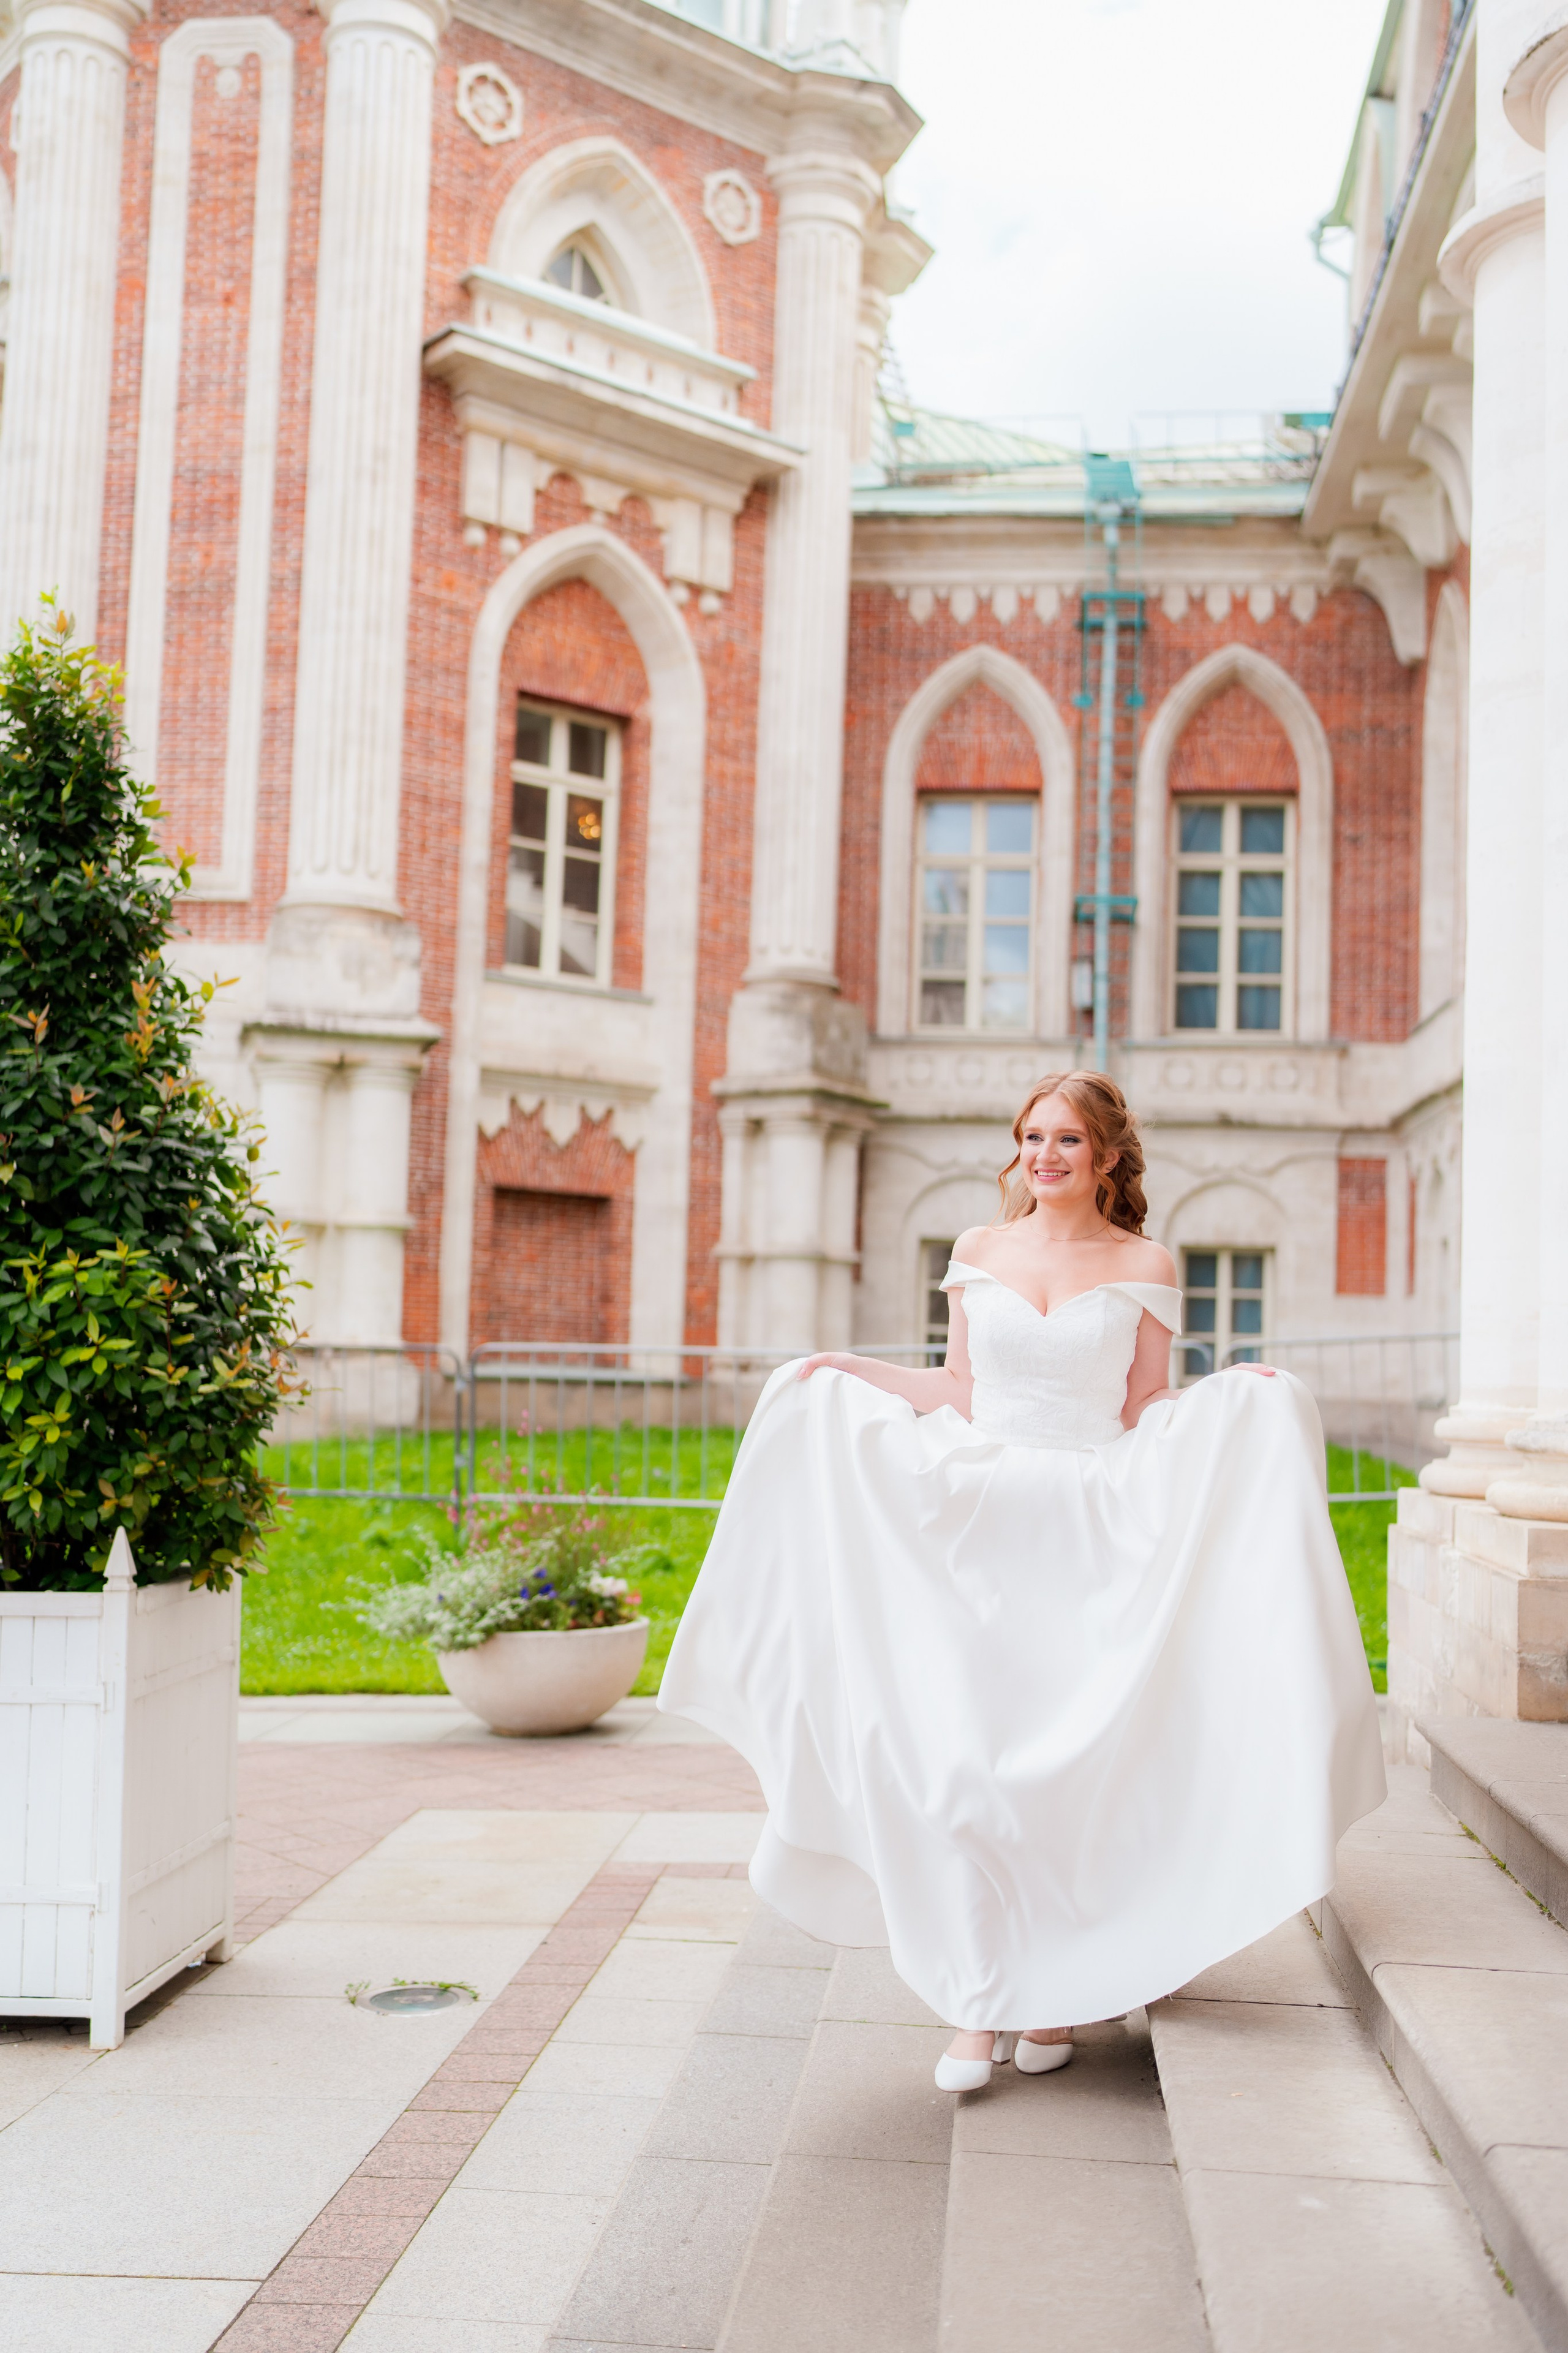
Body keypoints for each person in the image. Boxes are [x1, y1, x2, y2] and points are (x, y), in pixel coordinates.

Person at [658, 1071, 1385, 2091]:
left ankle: (1052, 1994)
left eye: (1067, 1142)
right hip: (976, 1523)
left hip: (1089, 1529)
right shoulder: (978, 1252)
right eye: (1031, 1138)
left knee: (1065, 1774)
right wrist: (843, 1372)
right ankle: (975, 2003)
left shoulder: (1145, 1260)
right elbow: (957, 1386)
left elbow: (1146, 1405)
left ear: (1107, 1158)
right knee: (964, 1768)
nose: (1044, 1157)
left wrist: (1237, 1403)